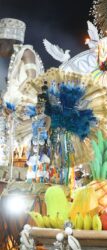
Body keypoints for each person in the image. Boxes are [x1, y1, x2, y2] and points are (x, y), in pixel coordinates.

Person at [0, 18, 43, 169]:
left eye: (0, 43)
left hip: (26, 114)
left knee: (22, 154)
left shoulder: (26, 52)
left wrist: (18, 103)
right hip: (16, 116)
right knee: (12, 156)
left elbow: (33, 80)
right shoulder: (15, 58)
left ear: (10, 41)